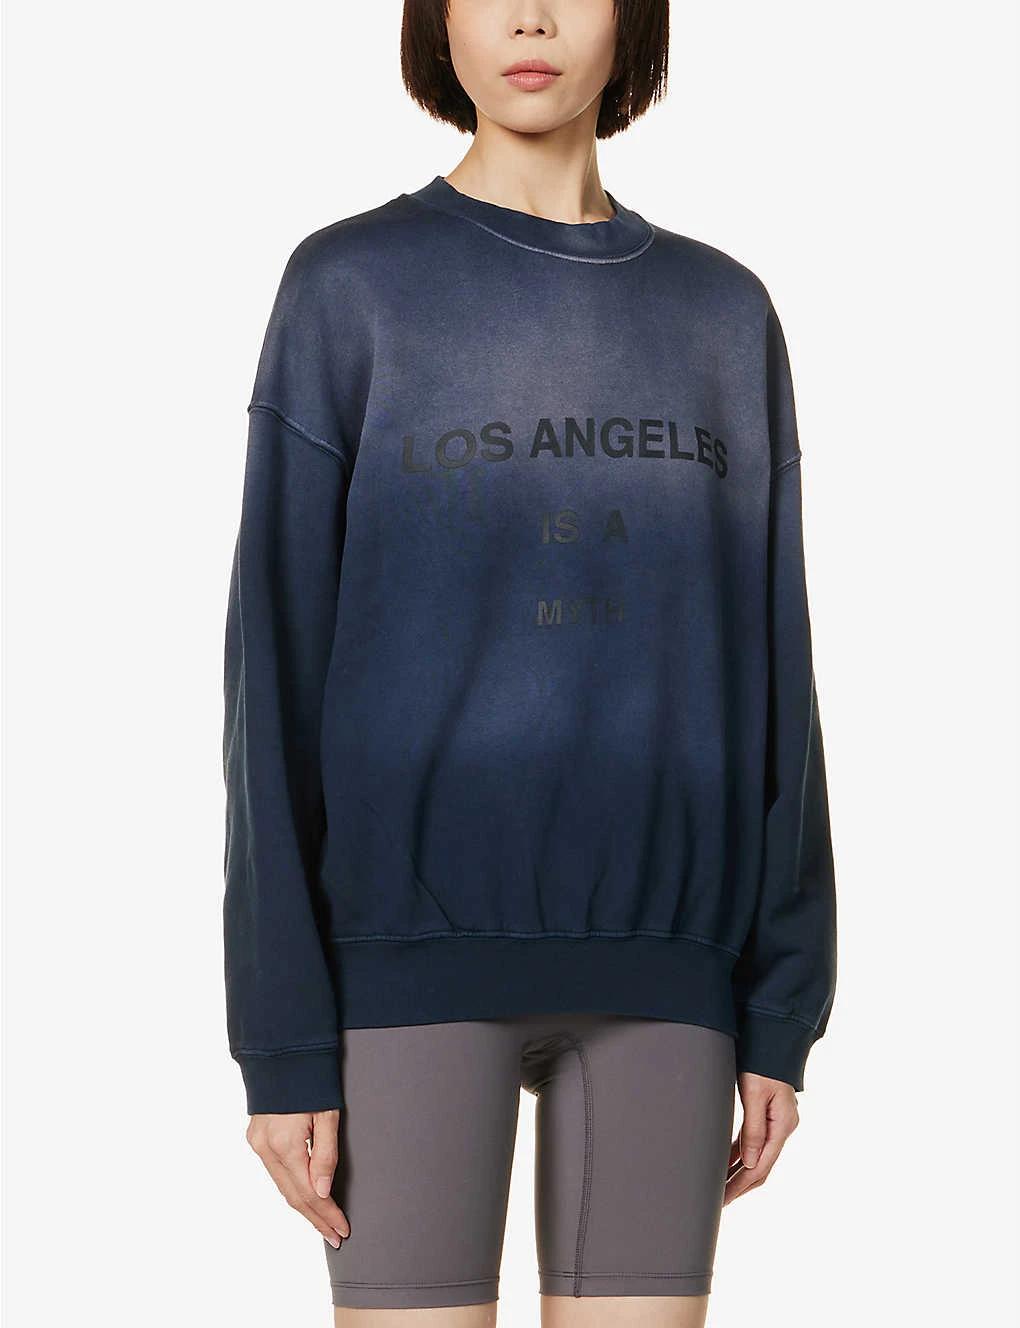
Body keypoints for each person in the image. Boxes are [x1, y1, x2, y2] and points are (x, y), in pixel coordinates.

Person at [221, 1, 838, 1324]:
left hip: (671, 971)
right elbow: (272, 671)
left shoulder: (723, 314)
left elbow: (779, 674)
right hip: (402, 966)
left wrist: (783, 1002)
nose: (532, 17)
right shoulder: (349, 288)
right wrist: (282, 1036)